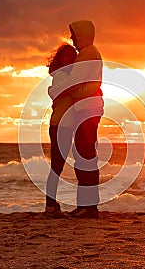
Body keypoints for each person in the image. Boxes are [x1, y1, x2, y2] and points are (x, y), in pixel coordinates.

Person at [48, 20, 103, 219]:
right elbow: (84, 84)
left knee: (86, 157)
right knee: (84, 157)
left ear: (82, 34)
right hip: (85, 110)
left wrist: (59, 91)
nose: (72, 38)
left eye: (73, 34)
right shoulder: (87, 54)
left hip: (87, 110)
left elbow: (75, 83)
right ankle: (86, 206)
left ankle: (89, 207)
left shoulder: (88, 53)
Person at [45, 44, 77, 218]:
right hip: (59, 125)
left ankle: (51, 203)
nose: (71, 58)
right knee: (56, 166)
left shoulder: (68, 75)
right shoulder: (60, 75)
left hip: (65, 125)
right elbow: (58, 92)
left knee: (58, 165)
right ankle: (50, 205)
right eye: (67, 55)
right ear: (60, 58)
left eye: (73, 55)